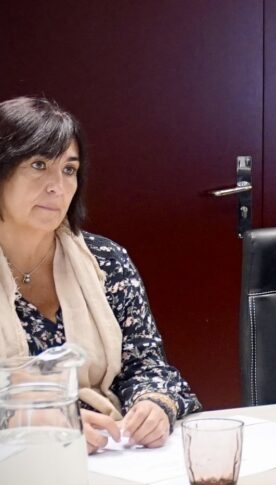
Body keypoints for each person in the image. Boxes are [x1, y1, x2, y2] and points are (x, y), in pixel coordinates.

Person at [0, 96, 201, 453]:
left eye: (68, 169)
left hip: (109, 457)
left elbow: (147, 364)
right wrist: (31, 419)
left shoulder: (105, 261)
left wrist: (154, 405)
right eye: (38, 164)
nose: (57, 187)